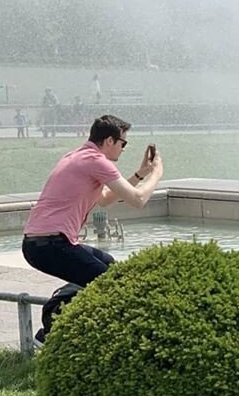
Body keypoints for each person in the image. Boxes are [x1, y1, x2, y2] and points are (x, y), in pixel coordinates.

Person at [21, 114, 162, 289]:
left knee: (110, 265)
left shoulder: (77, 156)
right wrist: (157, 174)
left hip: (39, 245)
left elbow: (105, 199)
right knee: (112, 285)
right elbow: (138, 200)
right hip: (51, 245)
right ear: (110, 141)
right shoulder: (96, 161)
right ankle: (64, 305)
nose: (123, 149)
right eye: (123, 143)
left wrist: (140, 174)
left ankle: (73, 302)